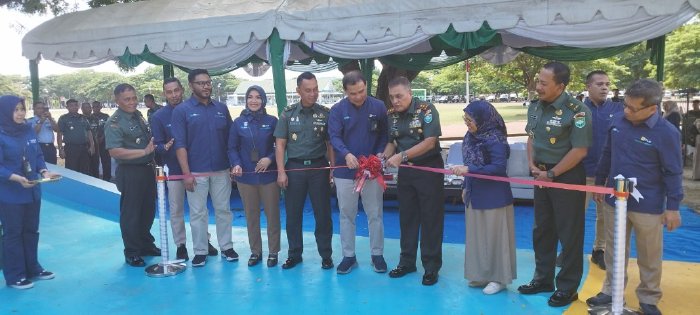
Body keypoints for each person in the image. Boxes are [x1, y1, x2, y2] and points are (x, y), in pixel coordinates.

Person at [586, 79, 683, 315]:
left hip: (648, 202)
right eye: (625, 105)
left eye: (632, 108)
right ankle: (611, 290)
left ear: (652, 108)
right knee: (614, 250)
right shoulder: (618, 121)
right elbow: (607, 153)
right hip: (614, 200)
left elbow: (673, 171)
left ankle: (649, 297)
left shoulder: (666, 133)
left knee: (649, 253)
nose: (626, 111)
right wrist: (600, 183)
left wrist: (673, 207)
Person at [518, 61, 592, 307]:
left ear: (560, 86)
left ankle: (568, 287)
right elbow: (531, 138)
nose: (537, 86)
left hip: (566, 177)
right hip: (540, 175)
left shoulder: (577, 111)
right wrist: (532, 165)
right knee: (542, 230)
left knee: (569, 233)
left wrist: (552, 174)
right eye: (538, 81)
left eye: (543, 83)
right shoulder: (535, 107)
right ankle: (543, 279)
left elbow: (580, 150)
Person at [172, 69, 237, 267]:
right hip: (196, 172)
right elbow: (180, 145)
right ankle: (200, 251)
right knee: (198, 213)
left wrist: (233, 165)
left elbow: (230, 140)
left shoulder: (222, 108)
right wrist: (186, 174)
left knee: (223, 210)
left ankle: (227, 247)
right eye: (201, 83)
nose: (206, 86)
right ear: (191, 86)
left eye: (208, 82)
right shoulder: (181, 111)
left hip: (221, 170)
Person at [383, 76, 444, 286]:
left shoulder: (426, 110)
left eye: (399, 96)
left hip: (428, 169)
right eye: (392, 97)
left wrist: (402, 156)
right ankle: (407, 261)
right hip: (406, 173)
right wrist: (382, 157)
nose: (395, 101)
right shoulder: (390, 115)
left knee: (430, 219)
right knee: (407, 217)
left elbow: (430, 142)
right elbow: (392, 142)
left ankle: (431, 266)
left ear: (410, 93)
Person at [450, 100, 516, 295]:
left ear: (483, 119)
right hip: (474, 193)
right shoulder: (471, 137)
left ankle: (499, 278)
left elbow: (498, 168)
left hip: (494, 195)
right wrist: (465, 185)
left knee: (496, 238)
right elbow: (468, 162)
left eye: (470, 120)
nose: (467, 123)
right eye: (465, 119)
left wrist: (469, 170)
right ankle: (481, 274)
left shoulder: (495, 138)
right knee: (477, 236)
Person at [328, 71, 388, 274]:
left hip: (371, 171)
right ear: (345, 91)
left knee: (375, 213)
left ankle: (377, 254)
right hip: (345, 171)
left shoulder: (378, 106)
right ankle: (348, 256)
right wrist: (345, 154)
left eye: (361, 91)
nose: (358, 96)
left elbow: (384, 134)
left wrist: (379, 154)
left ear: (366, 87)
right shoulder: (337, 110)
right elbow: (334, 137)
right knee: (346, 215)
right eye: (353, 93)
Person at [274, 71, 335, 270]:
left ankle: (326, 255)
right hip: (295, 168)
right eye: (308, 90)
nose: (313, 93)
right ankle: (294, 254)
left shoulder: (325, 113)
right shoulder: (288, 113)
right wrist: (281, 171)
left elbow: (330, 145)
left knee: (323, 214)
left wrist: (332, 169)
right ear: (298, 90)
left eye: (315, 89)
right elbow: (280, 145)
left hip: (319, 168)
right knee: (293, 214)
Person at [0, 95, 56, 289]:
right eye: (15, 109)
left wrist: (44, 170)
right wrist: (17, 178)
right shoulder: (1, 133)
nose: (20, 113)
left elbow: (38, 155)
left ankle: (33, 268)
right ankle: (15, 275)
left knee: (31, 231)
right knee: (13, 233)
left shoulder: (28, 130)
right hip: (10, 193)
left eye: (22, 108)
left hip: (32, 190)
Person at [105, 84, 160, 267]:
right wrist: (143, 152)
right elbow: (115, 151)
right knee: (131, 213)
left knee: (147, 210)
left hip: (147, 169)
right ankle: (132, 251)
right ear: (117, 101)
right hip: (130, 172)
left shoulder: (137, 115)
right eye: (127, 99)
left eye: (134, 98)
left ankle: (145, 243)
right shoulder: (114, 122)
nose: (132, 102)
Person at [228, 85, 281, 267]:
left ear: (264, 100)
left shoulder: (272, 121)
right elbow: (232, 148)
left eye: (258, 97)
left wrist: (269, 159)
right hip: (246, 178)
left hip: (268, 177)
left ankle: (273, 252)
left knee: (272, 215)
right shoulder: (238, 122)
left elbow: (279, 147)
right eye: (250, 97)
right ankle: (255, 251)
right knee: (251, 216)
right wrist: (236, 163)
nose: (254, 100)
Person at [582, 70, 624, 271]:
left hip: (607, 176)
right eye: (599, 84)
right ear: (588, 86)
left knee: (605, 217)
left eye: (607, 84)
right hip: (580, 173)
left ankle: (600, 250)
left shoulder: (618, 109)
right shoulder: (578, 109)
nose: (605, 87)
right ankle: (569, 251)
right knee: (574, 216)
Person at [57, 99, 94, 175]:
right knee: (72, 171)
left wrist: (92, 146)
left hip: (84, 148)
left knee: (85, 170)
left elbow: (89, 131)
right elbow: (59, 134)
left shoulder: (83, 118)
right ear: (67, 107)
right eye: (71, 106)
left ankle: (83, 186)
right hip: (71, 148)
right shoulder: (63, 118)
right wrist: (61, 149)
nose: (74, 107)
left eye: (76, 105)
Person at [91, 101, 111, 181]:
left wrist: (102, 137)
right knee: (94, 162)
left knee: (106, 161)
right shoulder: (89, 117)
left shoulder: (106, 116)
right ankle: (95, 178)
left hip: (104, 142)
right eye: (94, 107)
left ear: (100, 107)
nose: (96, 108)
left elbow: (109, 128)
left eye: (97, 106)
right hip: (93, 143)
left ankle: (107, 179)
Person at [82, 102, 100, 178]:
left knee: (95, 164)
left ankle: (96, 181)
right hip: (84, 144)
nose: (88, 109)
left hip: (95, 144)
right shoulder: (80, 119)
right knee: (86, 166)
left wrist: (95, 146)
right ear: (82, 109)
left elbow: (97, 131)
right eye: (86, 107)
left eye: (89, 107)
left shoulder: (95, 119)